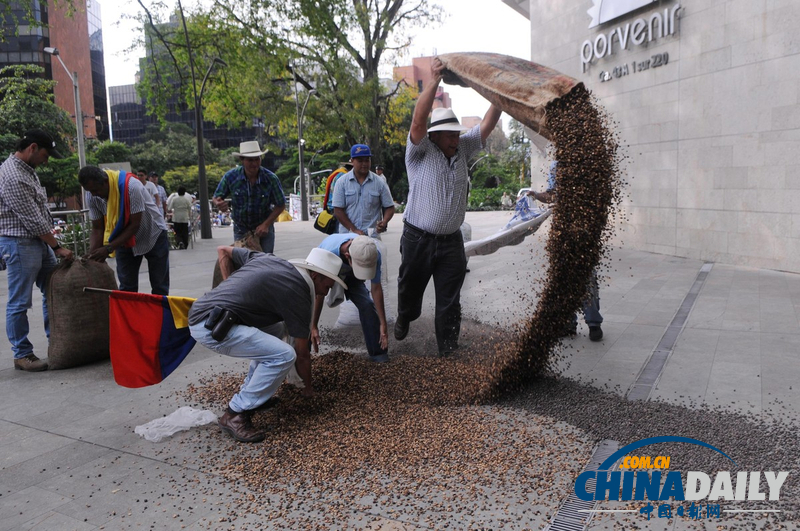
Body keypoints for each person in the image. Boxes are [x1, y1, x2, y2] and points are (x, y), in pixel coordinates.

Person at [395, 57, 501, 357]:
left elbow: (486, 124)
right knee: (410, 292)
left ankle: (448, 349)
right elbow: (418, 119)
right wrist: (435, 80)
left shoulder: (463, 148)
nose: (457, 138)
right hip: (418, 240)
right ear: (435, 136)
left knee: (450, 301)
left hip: (451, 242)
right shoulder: (419, 151)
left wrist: (499, 96)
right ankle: (405, 316)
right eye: (451, 134)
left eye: (457, 133)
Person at [188, 246, 346, 443]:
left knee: (278, 329)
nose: (327, 291)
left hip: (209, 312)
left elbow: (223, 251)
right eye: (328, 286)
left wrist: (229, 287)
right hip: (210, 327)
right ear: (315, 276)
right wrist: (308, 389)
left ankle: (255, 395)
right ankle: (236, 413)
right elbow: (301, 352)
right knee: (285, 355)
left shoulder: (270, 260)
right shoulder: (298, 292)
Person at [0, 130, 74, 371]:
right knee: (20, 302)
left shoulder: (28, 171)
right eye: (44, 155)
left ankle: (57, 343)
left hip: (38, 242)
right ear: (32, 148)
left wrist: (50, 244)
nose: (46, 160)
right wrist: (58, 247)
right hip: (20, 243)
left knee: (53, 290)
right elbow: (32, 219)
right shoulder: (12, 175)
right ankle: (22, 354)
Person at [529, 161, 603, 341]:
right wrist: (537, 195)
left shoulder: (590, 162)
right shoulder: (556, 165)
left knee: (587, 277)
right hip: (562, 229)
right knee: (562, 277)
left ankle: (593, 323)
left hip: (586, 229)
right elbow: (552, 195)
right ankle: (568, 323)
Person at [80, 165, 171, 295]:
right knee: (127, 289)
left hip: (152, 234)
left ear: (106, 181)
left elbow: (135, 225)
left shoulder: (131, 187)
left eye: (96, 190)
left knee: (159, 286)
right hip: (122, 239)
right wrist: (92, 255)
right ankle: (130, 315)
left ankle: (159, 314)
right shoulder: (91, 195)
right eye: (89, 191)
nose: (94, 194)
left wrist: (108, 248)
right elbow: (98, 228)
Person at [311, 234, 388, 362]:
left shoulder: (372, 253)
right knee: (307, 309)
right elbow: (318, 293)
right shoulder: (328, 253)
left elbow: (376, 288)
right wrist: (313, 325)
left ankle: (377, 353)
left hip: (349, 271)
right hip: (326, 268)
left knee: (367, 305)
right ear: (348, 256)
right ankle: (303, 356)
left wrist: (383, 324)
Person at [213, 141, 285, 252]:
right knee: (243, 263)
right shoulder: (231, 177)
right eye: (250, 160)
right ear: (242, 160)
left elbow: (280, 205)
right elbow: (217, 197)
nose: (254, 164)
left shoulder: (271, 178)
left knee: (266, 261)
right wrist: (219, 204)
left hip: (264, 228)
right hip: (241, 229)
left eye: (257, 159)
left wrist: (266, 224)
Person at [331, 144, 395, 237]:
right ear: (352, 161)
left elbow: (389, 207)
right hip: (347, 237)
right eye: (360, 161)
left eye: (367, 160)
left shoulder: (380, 182)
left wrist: (384, 222)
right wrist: (353, 230)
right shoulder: (341, 182)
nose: (364, 164)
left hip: (372, 237)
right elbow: (338, 210)